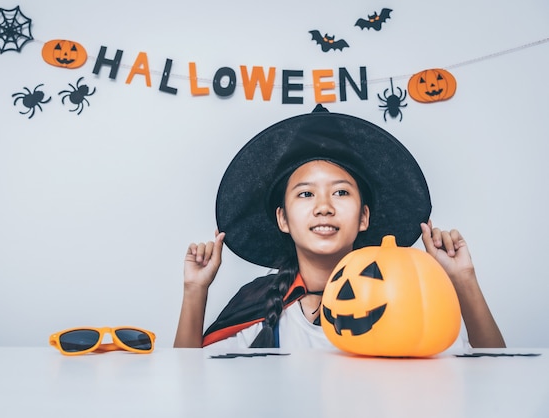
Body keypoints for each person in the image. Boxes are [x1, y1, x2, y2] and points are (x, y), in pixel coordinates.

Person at [174, 107, 505, 350]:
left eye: (341, 192)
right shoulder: (259, 305)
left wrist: (463, 280)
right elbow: (190, 384)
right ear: (283, 219)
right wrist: (195, 290)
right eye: (305, 193)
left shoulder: (404, 296)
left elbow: (494, 377)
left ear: (363, 216)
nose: (324, 206)